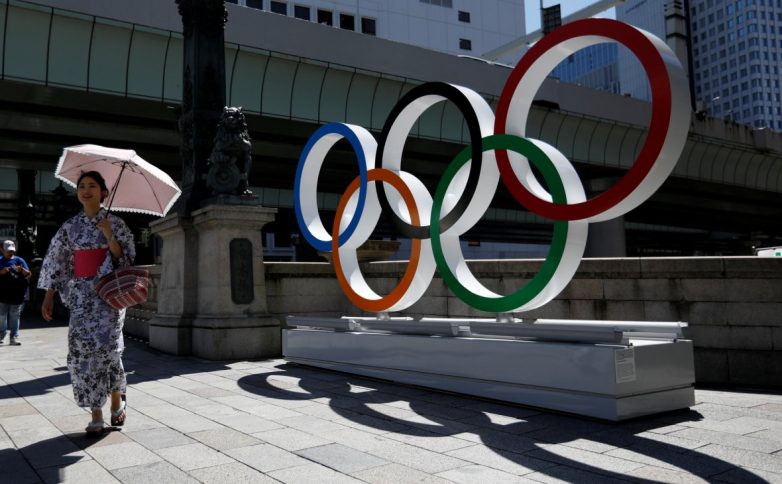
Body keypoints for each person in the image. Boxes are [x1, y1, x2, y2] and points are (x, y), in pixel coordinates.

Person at [39, 171, 135, 436]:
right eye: (82, 186)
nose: (86, 190)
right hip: (81, 296)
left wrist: (109, 236)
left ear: (104, 192)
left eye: (92, 185)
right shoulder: (69, 227)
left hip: (108, 296)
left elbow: (125, 259)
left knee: (108, 350)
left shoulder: (115, 223)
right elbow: (56, 261)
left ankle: (116, 399)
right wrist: (48, 294)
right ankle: (96, 413)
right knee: (82, 352)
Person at [0, 240, 32, 346]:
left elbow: (29, 275)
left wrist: (22, 270)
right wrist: (1, 272)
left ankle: (13, 337)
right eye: (8, 251)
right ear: (2, 250)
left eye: (12, 251)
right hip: (2, 295)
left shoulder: (19, 260)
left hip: (17, 294)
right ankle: (1, 335)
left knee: (15, 316)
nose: (11, 253)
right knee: (2, 315)